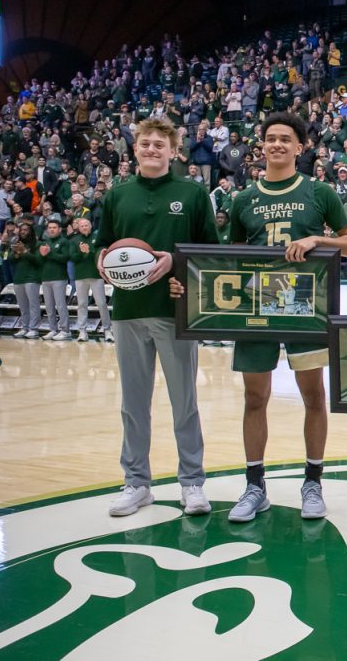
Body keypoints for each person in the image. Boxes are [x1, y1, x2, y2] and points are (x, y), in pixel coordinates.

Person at [182, 112, 347, 523]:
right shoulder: (243, 199)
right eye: (270, 138)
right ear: (260, 146)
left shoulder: (319, 193)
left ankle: (313, 482)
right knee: (254, 398)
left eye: (286, 139)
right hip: (257, 308)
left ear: (300, 148)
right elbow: (233, 262)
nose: (277, 144)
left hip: (305, 307)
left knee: (314, 395)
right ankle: (254, 486)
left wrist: (318, 239)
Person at [94, 116, 219, 518]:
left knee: (184, 401)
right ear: (134, 149)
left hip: (175, 312)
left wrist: (175, 261)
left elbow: (209, 254)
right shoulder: (116, 196)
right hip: (128, 312)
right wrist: (102, 260)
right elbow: (102, 245)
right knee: (133, 403)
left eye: (159, 145)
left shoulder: (193, 193)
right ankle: (136, 482)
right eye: (145, 144)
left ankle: (192, 483)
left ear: (173, 151)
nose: (151, 150)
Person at [71, 218, 112, 342]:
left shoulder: (97, 238)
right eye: (82, 225)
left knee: (102, 303)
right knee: (82, 304)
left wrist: (89, 251)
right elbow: (72, 257)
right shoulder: (74, 240)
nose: (84, 227)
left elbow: (101, 254)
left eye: (86, 225)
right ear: (78, 227)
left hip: (96, 276)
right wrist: (83, 253)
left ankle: (107, 330)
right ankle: (82, 331)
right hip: (80, 276)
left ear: (90, 226)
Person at [38, 220, 72, 340]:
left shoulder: (64, 241)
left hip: (59, 277)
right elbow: (40, 261)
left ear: (59, 229)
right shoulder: (45, 242)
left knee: (60, 305)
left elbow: (65, 258)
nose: (51, 229)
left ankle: (65, 330)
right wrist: (42, 256)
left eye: (54, 227)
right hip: (45, 277)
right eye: (50, 227)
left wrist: (49, 253)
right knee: (49, 306)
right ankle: (53, 329)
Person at [10, 223, 44, 338]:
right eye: (21, 230)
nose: (23, 232)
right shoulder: (17, 244)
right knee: (23, 306)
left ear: (31, 231)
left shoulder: (38, 244)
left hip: (32, 278)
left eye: (26, 230)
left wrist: (25, 252)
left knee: (33, 305)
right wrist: (16, 253)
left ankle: (34, 329)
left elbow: (38, 261)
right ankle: (25, 327)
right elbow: (9, 260)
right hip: (18, 278)